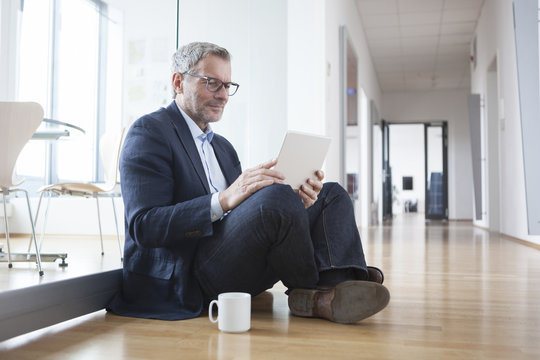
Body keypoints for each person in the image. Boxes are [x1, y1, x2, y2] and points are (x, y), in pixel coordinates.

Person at [107, 41, 390, 324]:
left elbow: (243, 220)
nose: (223, 95)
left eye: (228, 85)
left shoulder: (224, 148)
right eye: (212, 83)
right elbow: (144, 225)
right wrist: (225, 199)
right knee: (277, 198)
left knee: (332, 195)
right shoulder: (149, 132)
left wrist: (298, 202)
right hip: (187, 276)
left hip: (231, 263)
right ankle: (318, 291)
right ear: (178, 82)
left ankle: (336, 286)